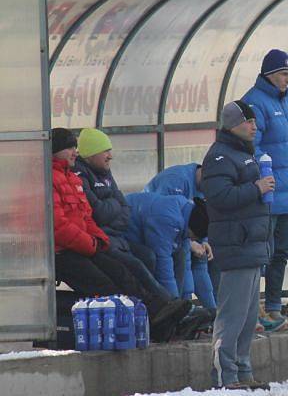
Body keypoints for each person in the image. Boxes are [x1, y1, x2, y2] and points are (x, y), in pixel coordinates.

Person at [50, 128, 190, 342]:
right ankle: (148, 320)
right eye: (69, 147)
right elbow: (59, 226)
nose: (74, 152)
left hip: (88, 244)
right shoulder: (51, 179)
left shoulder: (72, 179)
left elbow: (88, 216)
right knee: (106, 286)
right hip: (65, 252)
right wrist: (91, 242)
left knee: (125, 270)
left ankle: (159, 313)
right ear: (56, 151)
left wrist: (99, 239)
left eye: (75, 147)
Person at [202, 100, 273, 390]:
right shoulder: (220, 157)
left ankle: (243, 372)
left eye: (255, 122)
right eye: (248, 121)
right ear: (233, 125)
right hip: (236, 245)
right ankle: (225, 374)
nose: (254, 126)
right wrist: (256, 188)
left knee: (248, 317)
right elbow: (220, 198)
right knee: (232, 315)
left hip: (252, 244)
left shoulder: (245, 154)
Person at [242, 48, 288, 331]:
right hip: (269, 195)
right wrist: (261, 178)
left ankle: (274, 309)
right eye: (283, 74)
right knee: (261, 254)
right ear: (269, 75)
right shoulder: (255, 103)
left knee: (281, 252)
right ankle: (253, 311)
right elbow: (251, 146)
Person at [72, 128, 174, 304]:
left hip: (117, 236)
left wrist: (111, 209)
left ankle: (152, 307)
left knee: (148, 255)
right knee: (136, 266)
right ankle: (163, 305)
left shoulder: (105, 172)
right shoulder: (80, 175)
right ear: (90, 154)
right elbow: (98, 213)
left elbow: (125, 208)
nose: (110, 156)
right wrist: (113, 206)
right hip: (101, 240)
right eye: (105, 151)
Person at [144, 162, 217, 313]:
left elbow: (201, 216)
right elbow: (163, 219)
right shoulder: (175, 180)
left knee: (202, 257)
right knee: (184, 256)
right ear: (204, 174)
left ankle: (213, 312)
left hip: (183, 230)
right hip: (157, 231)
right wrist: (190, 242)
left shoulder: (205, 187)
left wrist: (203, 241)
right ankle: (182, 309)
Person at [124, 192, 209, 301]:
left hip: (141, 231)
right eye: (194, 237)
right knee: (151, 258)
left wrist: (186, 299)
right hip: (123, 234)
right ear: (191, 228)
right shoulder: (167, 219)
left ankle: (178, 303)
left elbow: (185, 265)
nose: (193, 240)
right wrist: (173, 303)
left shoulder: (186, 214)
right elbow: (163, 264)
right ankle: (157, 306)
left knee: (181, 254)